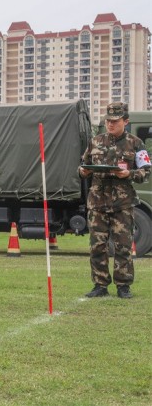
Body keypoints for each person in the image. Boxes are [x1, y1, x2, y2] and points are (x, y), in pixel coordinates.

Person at [79, 102, 151, 299]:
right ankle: (100, 285)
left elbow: (146, 172)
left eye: (115, 121)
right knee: (97, 246)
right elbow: (83, 165)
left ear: (125, 122)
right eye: (108, 121)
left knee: (123, 246)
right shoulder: (95, 142)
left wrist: (129, 173)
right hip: (97, 202)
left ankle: (123, 285)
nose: (110, 124)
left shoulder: (136, 143)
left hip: (123, 203)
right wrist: (83, 171)